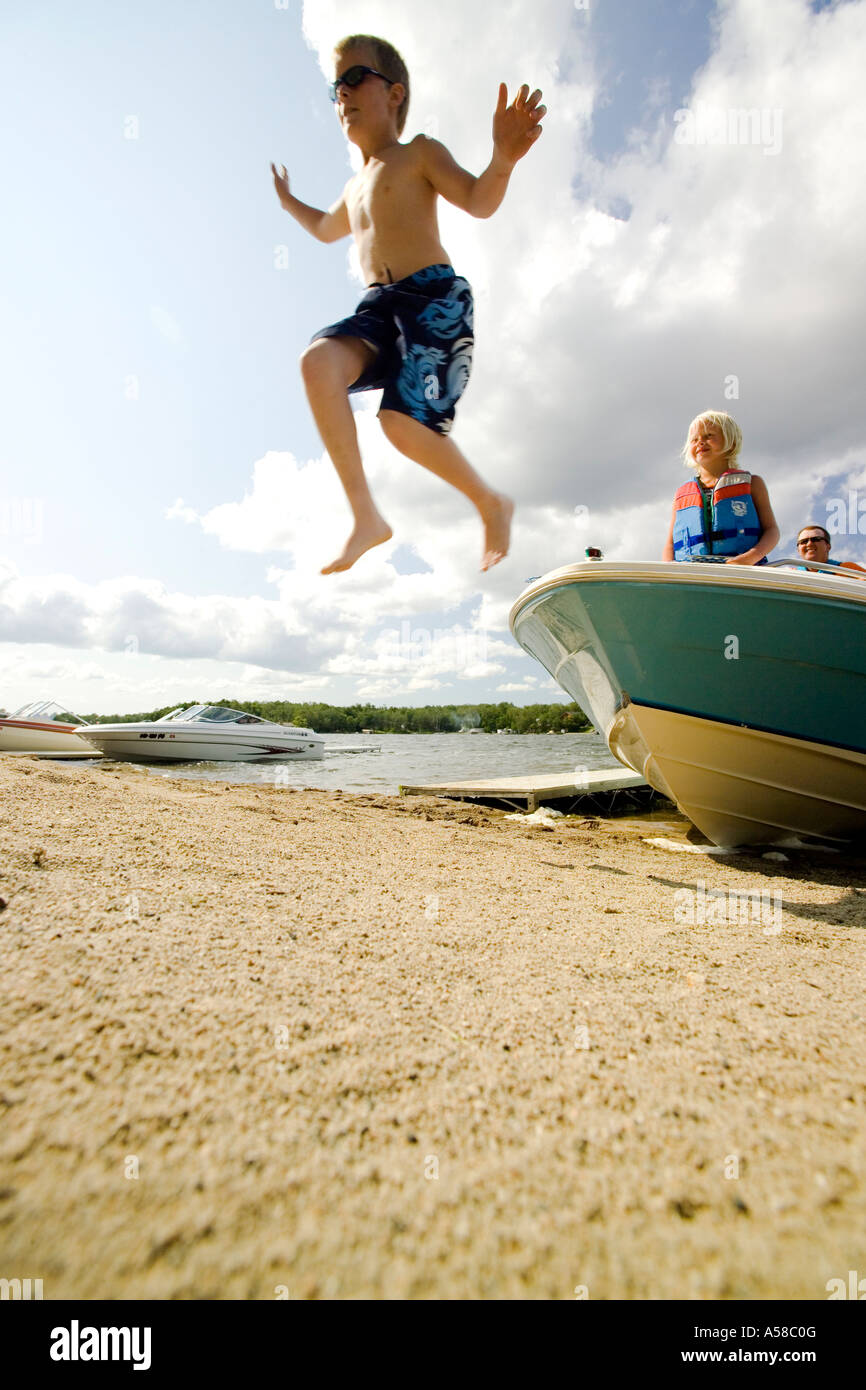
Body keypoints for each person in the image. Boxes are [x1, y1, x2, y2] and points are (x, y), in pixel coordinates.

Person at [271, 34, 545, 574]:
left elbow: (478, 201)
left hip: (433, 300)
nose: (342, 94)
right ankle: (366, 517)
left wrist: (502, 160)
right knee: (317, 363)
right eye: (335, 87)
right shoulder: (354, 186)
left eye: (355, 79)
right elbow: (327, 230)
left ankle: (490, 502)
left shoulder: (419, 152)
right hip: (377, 307)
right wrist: (288, 202)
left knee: (399, 424)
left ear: (395, 93)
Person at [663, 410, 779, 564]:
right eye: (695, 439)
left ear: (731, 443)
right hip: (692, 573)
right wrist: (669, 567)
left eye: (709, 435)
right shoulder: (681, 494)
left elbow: (772, 531)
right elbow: (669, 544)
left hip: (740, 572)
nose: (700, 442)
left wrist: (748, 559)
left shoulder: (753, 484)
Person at [795, 525, 866, 575]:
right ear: (798, 549)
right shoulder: (792, 574)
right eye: (804, 541)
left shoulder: (848, 569)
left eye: (816, 539)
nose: (809, 544)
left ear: (828, 546)